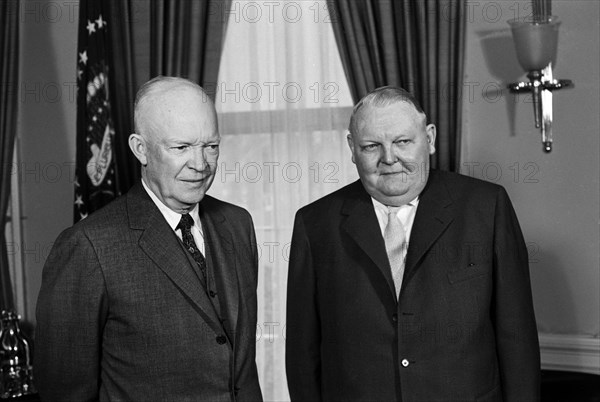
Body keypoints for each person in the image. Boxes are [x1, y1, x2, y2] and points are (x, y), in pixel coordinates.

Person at [285, 86, 540, 401]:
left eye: (403, 142)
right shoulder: (315, 224)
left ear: (429, 139)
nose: (389, 158)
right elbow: (302, 352)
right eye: (371, 146)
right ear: (352, 148)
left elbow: (517, 338)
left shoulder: (486, 208)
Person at [35, 76, 263, 401]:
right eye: (180, 147)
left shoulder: (237, 225)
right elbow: (64, 392)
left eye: (210, 147)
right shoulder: (88, 246)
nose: (200, 165)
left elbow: (241, 367)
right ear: (140, 149)